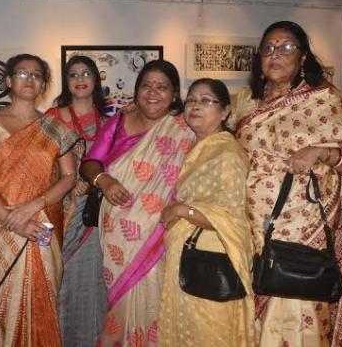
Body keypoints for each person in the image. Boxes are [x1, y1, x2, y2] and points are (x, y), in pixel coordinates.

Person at [231, 21, 342, 346]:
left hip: (303, 232)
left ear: (303, 57)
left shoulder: (325, 101)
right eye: (268, 48)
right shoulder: (245, 105)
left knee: (295, 314)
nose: (276, 54)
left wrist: (323, 153)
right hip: (249, 228)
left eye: (286, 47)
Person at [79, 60, 194, 346]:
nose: (152, 93)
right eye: (146, 85)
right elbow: (90, 162)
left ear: (174, 94)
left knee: (158, 300)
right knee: (122, 301)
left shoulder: (186, 128)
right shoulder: (118, 122)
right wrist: (104, 181)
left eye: (162, 87)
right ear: (137, 90)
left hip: (161, 234)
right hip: (119, 234)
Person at [0, 53, 80, 347]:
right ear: (8, 81)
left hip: (44, 222)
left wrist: (34, 206)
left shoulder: (55, 128)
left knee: (42, 296)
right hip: (3, 225)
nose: (29, 79)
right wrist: (14, 220)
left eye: (36, 75)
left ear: (43, 84)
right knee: (6, 300)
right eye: (22, 73)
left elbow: (69, 177)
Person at [157, 78, 254, 346]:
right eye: (191, 100)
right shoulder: (196, 146)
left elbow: (232, 216)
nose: (195, 106)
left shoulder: (228, 154)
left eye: (205, 100)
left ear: (224, 112)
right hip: (187, 256)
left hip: (212, 260)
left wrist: (181, 210)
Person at [44, 55, 107, 346]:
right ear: (66, 82)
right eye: (73, 74)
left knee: (92, 280)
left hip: (96, 213)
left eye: (86, 73)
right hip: (63, 210)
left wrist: (94, 182)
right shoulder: (52, 118)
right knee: (62, 278)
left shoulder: (109, 122)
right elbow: (41, 166)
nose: (80, 79)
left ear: (95, 79)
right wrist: (68, 185)